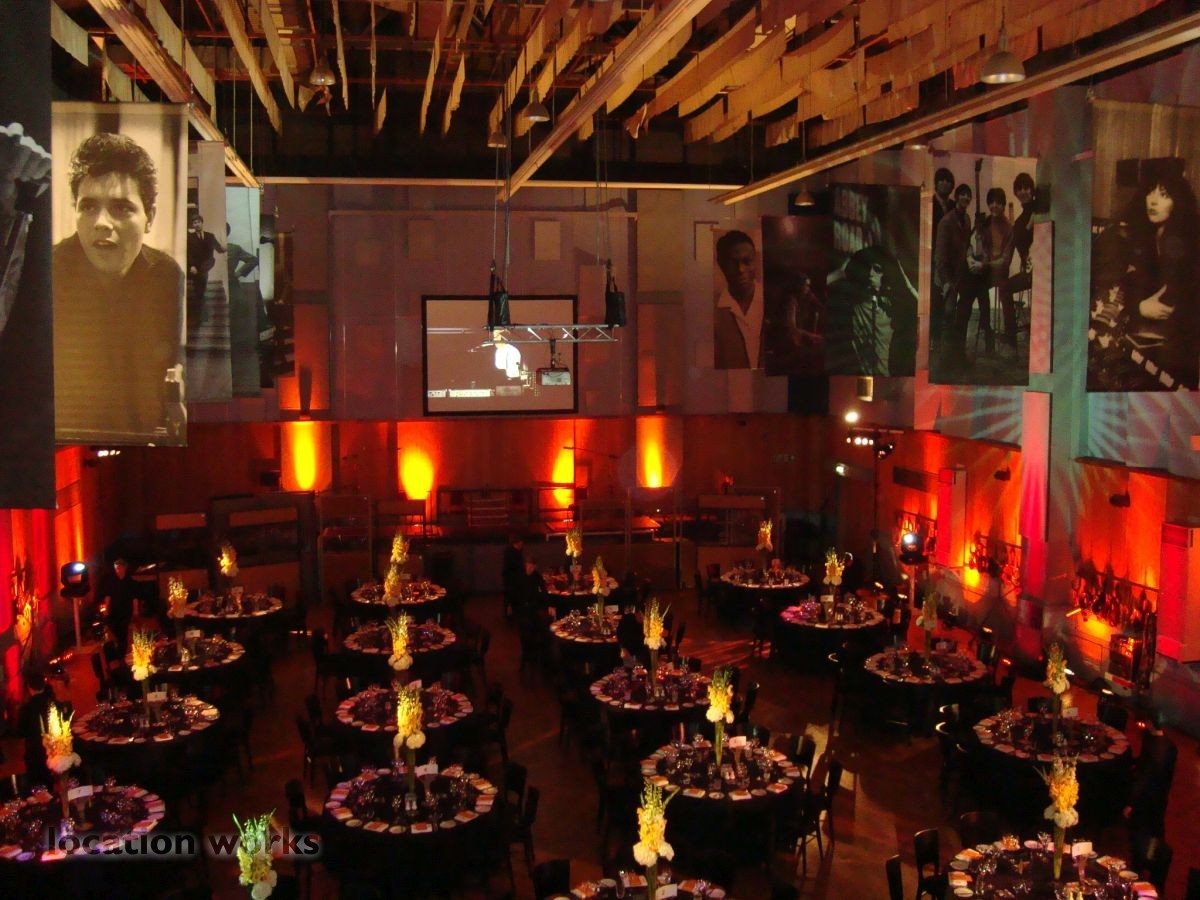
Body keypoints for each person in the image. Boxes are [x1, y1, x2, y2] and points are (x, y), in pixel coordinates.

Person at [53, 132, 184, 442]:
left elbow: (172, 364)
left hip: (144, 442)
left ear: (149, 218)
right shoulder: (49, 272)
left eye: (121, 208)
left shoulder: (167, 275)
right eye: (88, 207)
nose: (101, 222)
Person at [1119, 170, 1200, 390]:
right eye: (1150, 192)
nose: (1153, 201)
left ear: (1178, 203)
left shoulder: (1188, 245)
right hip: (1146, 345)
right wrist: (1141, 307)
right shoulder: (1143, 239)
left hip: (1179, 354)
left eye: (1164, 195)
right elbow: (1129, 288)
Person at [825, 247, 917, 375]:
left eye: (877, 269)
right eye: (867, 268)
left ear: (885, 273)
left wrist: (903, 278)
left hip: (890, 376)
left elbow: (919, 306)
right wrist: (841, 272)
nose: (870, 273)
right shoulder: (853, 302)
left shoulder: (891, 305)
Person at [951, 187, 1014, 364]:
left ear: (1003, 205)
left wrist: (984, 264)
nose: (994, 206)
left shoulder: (1009, 229)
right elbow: (972, 244)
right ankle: (984, 334)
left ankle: (969, 336)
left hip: (998, 272)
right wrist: (972, 259)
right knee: (972, 285)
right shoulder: (985, 222)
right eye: (991, 202)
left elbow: (1005, 260)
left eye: (998, 203)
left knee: (974, 286)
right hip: (983, 270)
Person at [713, 230, 763, 369]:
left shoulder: (772, 302)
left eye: (747, 262)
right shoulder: (711, 312)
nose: (741, 269)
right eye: (733, 263)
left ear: (755, 262)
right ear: (721, 265)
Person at [933, 183, 973, 335]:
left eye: (968, 195)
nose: (965, 197)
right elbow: (940, 257)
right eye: (962, 194)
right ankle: (944, 348)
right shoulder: (946, 222)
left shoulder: (967, 219)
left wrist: (970, 256)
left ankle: (958, 347)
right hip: (945, 274)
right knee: (948, 313)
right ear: (956, 197)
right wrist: (947, 282)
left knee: (964, 310)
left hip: (959, 273)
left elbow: (967, 244)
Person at [17, 670, 55, 786]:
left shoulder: (26, 709)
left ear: (29, 688)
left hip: (35, 753)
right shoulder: (53, 703)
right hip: (54, 749)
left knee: (38, 785)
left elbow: (20, 732)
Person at [186, 211, 225, 316]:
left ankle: (201, 311)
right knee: (199, 289)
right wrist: (192, 266)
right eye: (194, 223)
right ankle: (201, 312)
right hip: (195, 267)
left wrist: (226, 245)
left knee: (201, 283)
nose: (197, 224)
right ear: (192, 225)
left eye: (198, 222)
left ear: (202, 223)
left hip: (206, 264)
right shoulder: (190, 237)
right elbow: (189, 253)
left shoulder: (210, 236)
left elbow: (220, 249)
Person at [97, 557, 137, 653]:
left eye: (119, 568)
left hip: (126, 610)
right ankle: (119, 647)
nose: (118, 570)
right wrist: (106, 608)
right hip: (114, 610)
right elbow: (108, 596)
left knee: (123, 631)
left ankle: (122, 650)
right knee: (114, 628)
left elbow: (134, 597)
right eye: (116, 568)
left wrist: (135, 610)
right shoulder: (112, 581)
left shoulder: (129, 581)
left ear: (124, 568)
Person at [501, 532, 524, 621]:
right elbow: (516, 566)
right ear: (518, 542)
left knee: (509, 598)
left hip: (510, 578)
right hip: (512, 579)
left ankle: (509, 615)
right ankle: (511, 615)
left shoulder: (509, 551)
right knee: (511, 597)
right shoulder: (514, 553)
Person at [931, 167, 955, 239]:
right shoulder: (929, 203)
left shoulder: (954, 206)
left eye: (948, 181)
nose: (945, 183)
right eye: (941, 180)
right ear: (936, 183)